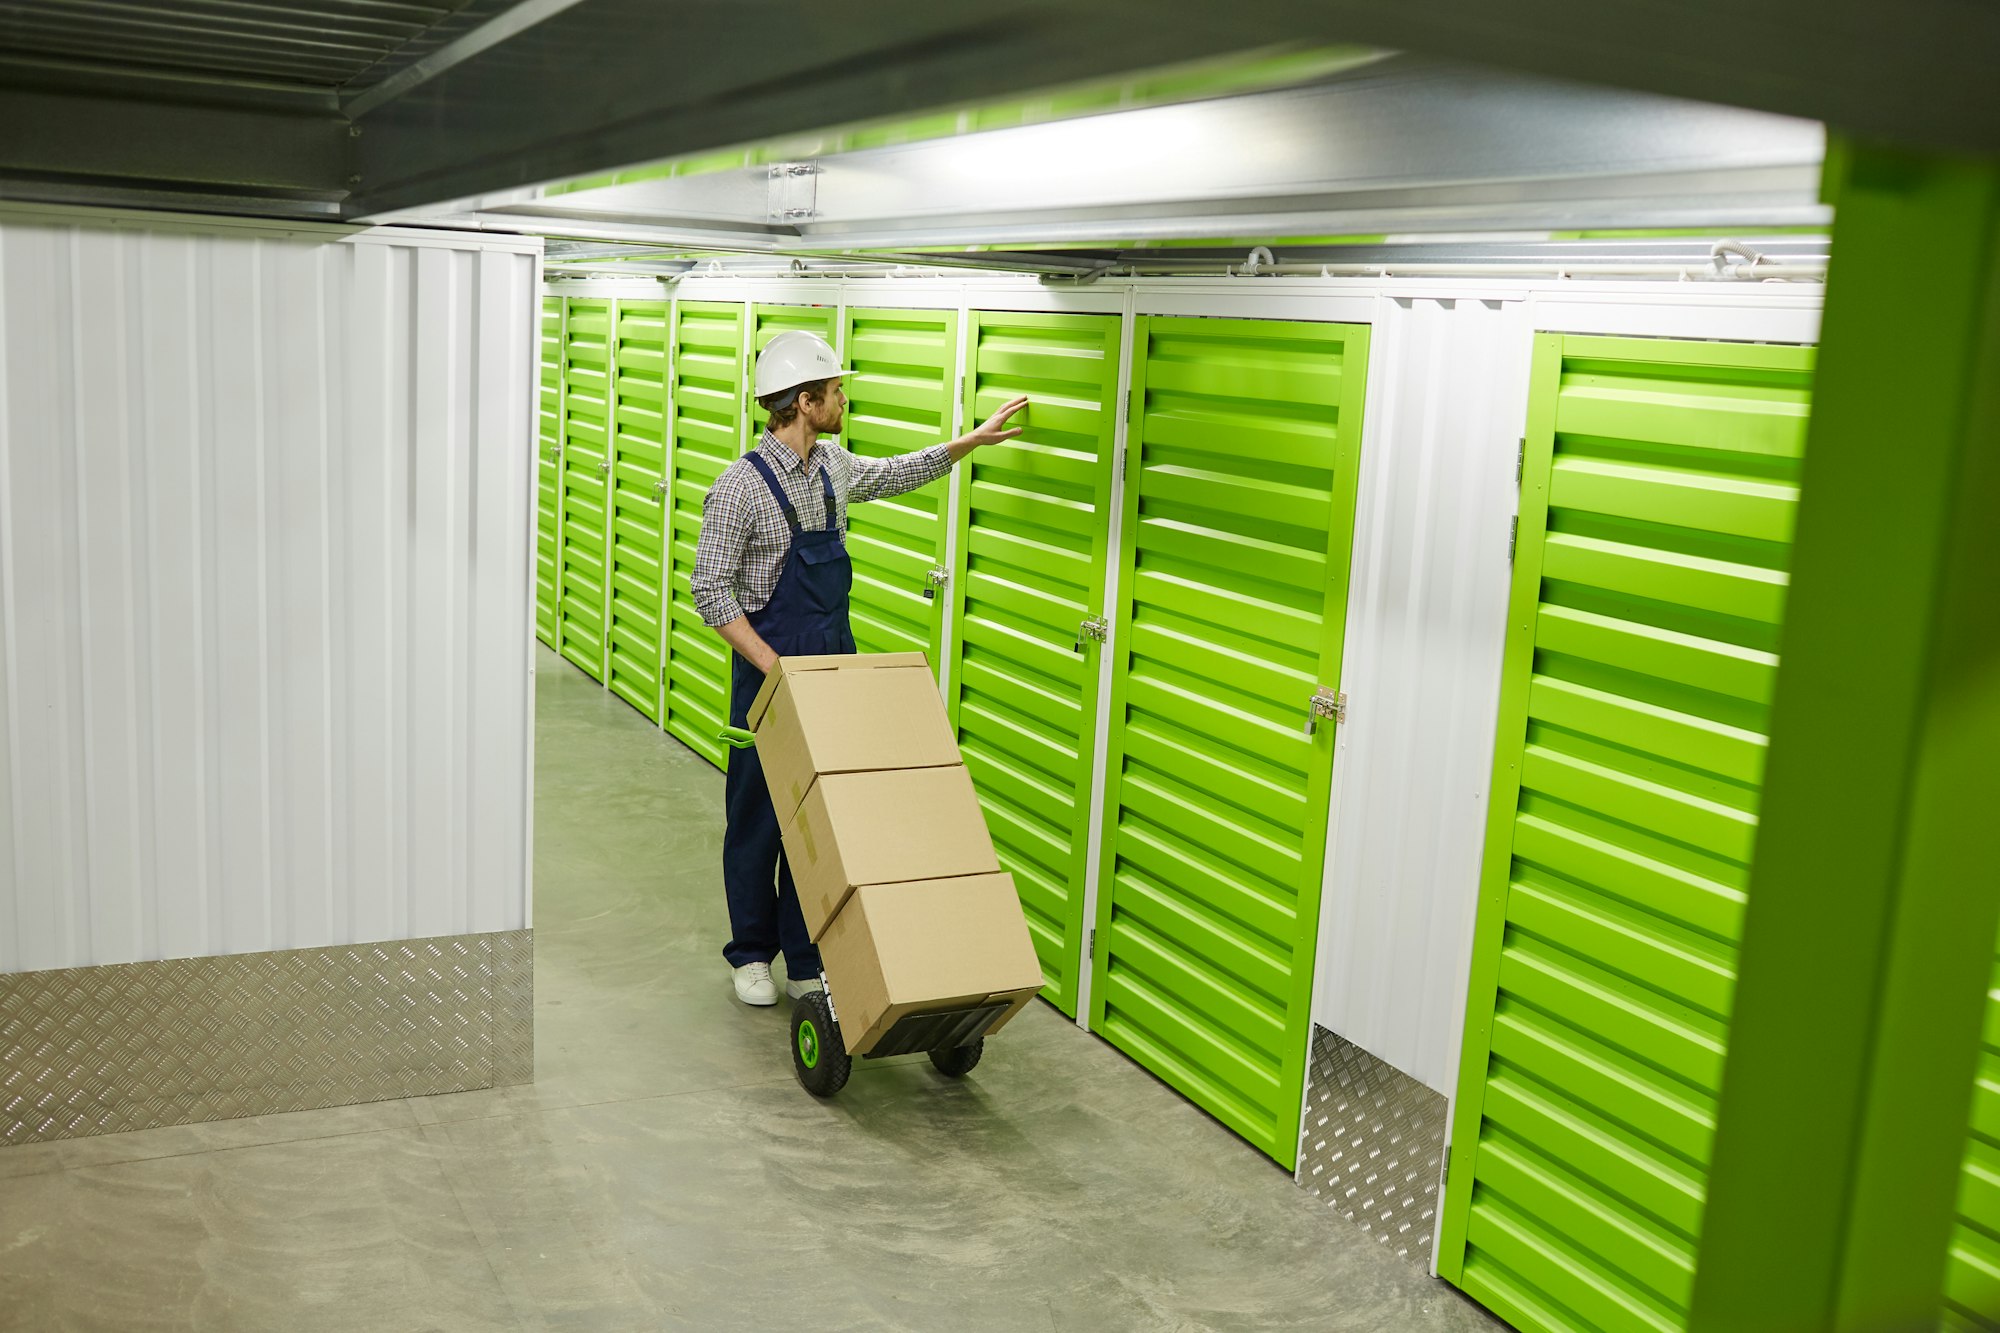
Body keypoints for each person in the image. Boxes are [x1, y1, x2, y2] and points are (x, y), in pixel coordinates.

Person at [690, 329, 1029, 1006]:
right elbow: (710, 590)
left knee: (820, 820)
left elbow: (896, 472)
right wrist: (773, 667)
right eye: (836, 390)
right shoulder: (739, 488)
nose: (845, 398)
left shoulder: (833, 467)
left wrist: (970, 442)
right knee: (758, 817)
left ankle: (806, 953)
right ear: (805, 401)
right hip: (770, 677)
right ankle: (751, 952)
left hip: (833, 674)